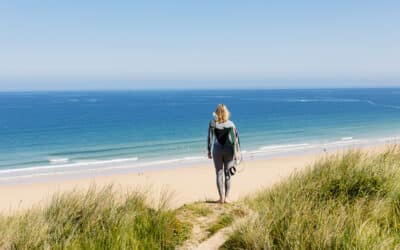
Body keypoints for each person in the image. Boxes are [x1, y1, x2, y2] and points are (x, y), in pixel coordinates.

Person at [207, 104, 240, 203]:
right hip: (229, 150)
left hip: (217, 150)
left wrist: (209, 150)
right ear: (226, 113)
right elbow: (235, 140)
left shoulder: (212, 123)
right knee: (227, 174)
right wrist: (236, 153)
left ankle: (221, 198)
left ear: (216, 113)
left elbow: (210, 138)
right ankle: (227, 198)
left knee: (218, 173)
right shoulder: (231, 124)